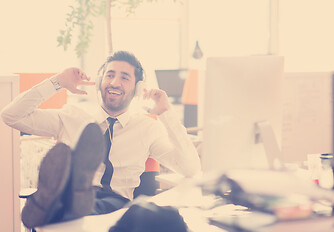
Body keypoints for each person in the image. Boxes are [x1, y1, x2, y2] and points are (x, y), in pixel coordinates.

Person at [1, 50, 201, 228]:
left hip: (117, 204)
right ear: (99, 82)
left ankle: (54, 204)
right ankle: (68, 195)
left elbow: (190, 168)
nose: (114, 83)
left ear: (138, 88)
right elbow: (11, 116)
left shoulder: (148, 127)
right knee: (76, 205)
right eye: (110, 75)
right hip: (76, 200)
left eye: (124, 77)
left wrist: (166, 113)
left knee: (166, 218)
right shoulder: (72, 116)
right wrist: (57, 82)